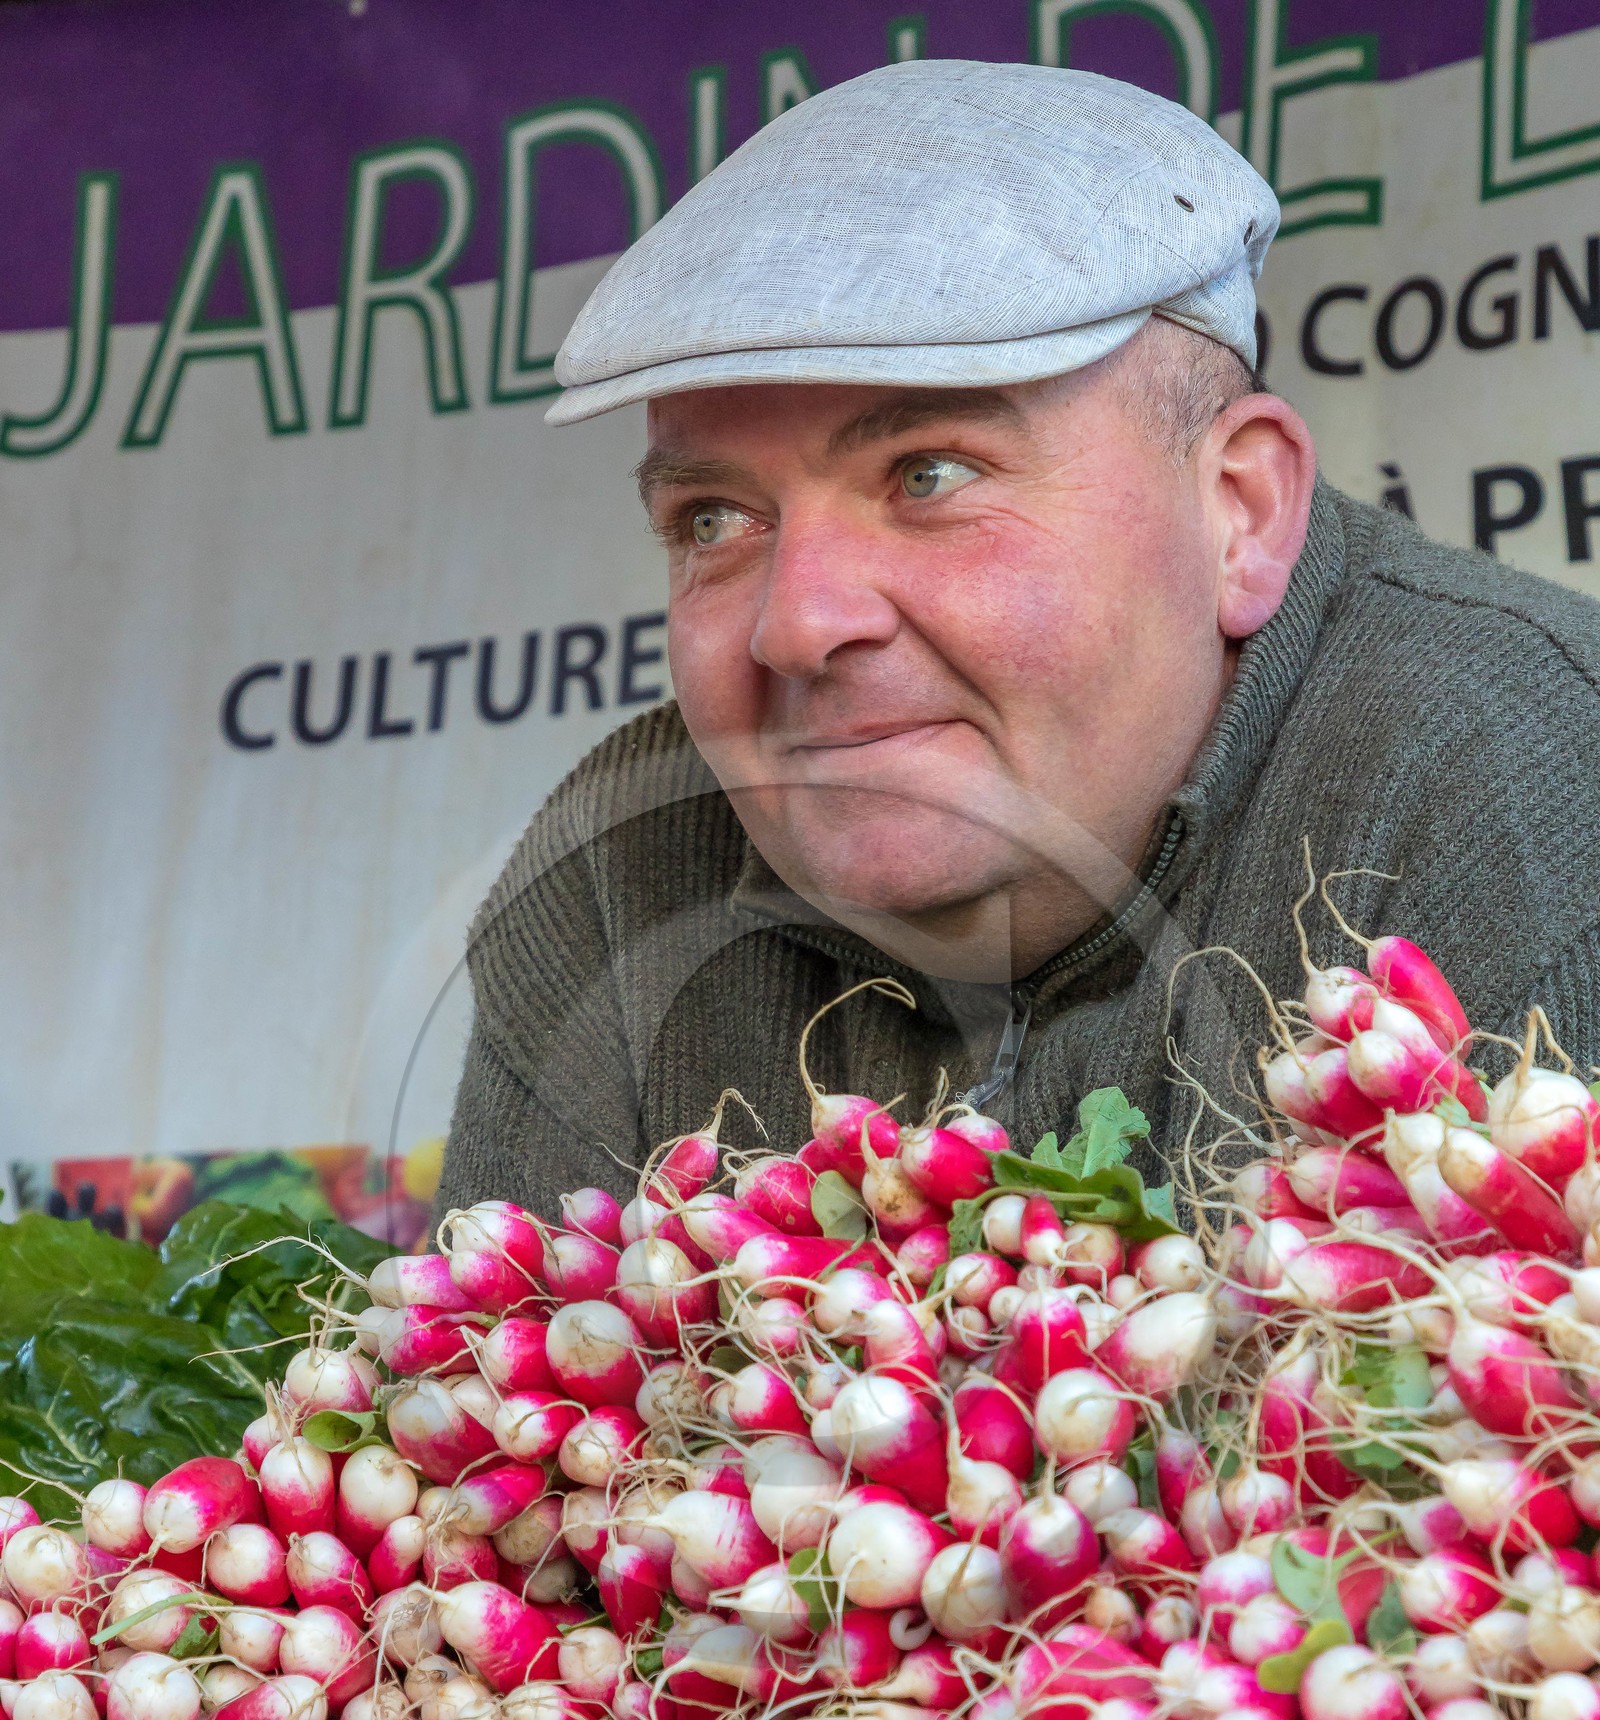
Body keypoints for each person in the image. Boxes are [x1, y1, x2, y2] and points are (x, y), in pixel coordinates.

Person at [436, 59, 1600, 1221]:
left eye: (929, 476)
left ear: (1240, 513)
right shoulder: (612, 874)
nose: (798, 624)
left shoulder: (1539, 774)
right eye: (714, 521)